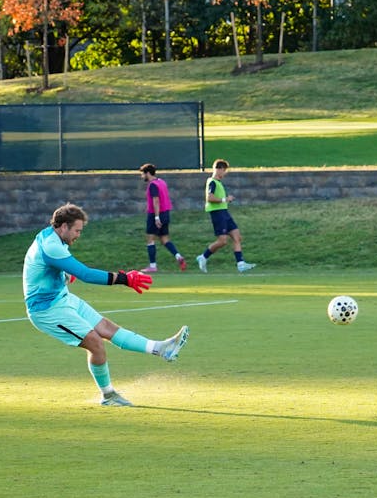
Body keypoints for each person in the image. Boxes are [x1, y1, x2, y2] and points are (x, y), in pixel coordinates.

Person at [24, 203, 190, 407]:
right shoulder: (51, 245)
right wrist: (124, 279)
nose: (78, 235)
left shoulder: (52, 236)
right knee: (95, 343)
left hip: (61, 298)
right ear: (64, 226)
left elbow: (46, 265)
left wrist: (64, 272)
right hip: (46, 310)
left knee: (106, 328)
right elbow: (85, 274)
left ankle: (162, 348)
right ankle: (108, 395)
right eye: (77, 230)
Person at [195, 159, 255, 273]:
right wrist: (225, 199)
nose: (224, 173)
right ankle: (203, 257)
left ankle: (241, 264)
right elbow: (209, 198)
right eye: (224, 170)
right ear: (219, 169)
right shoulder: (212, 182)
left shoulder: (218, 183)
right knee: (222, 241)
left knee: (237, 236)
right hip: (217, 213)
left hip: (224, 212)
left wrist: (226, 200)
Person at [139, 163, 186, 272]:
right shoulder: (162, 182)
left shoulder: (153, 185)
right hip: (166, 213)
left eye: (143, 174)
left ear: (148, 173)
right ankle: (178, 256)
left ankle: (153, 265)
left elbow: (156, 200)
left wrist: (156, 217)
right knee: (164, 239)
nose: (142, 176)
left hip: (156, 214)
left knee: (150, 239)